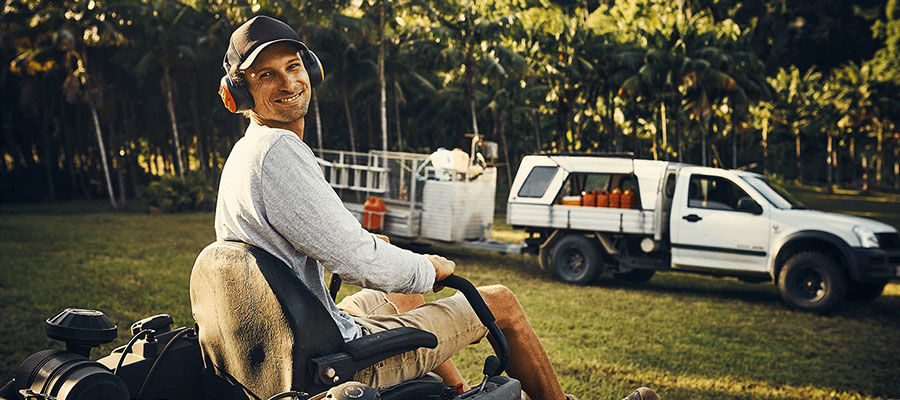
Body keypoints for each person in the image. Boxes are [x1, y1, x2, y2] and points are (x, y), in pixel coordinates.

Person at [214, 15, 657, 400]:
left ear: (310, 71)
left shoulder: (248, 153)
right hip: (329, 359)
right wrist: (428, 268)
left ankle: (458, 391)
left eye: (293, 67)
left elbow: (325, 237)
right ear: (241, 92)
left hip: (283, 343)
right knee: (500, 303)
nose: (288, 82)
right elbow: (354, 260)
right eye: (266, 75)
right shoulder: (278, 153)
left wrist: (386, 257)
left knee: (399, 287)